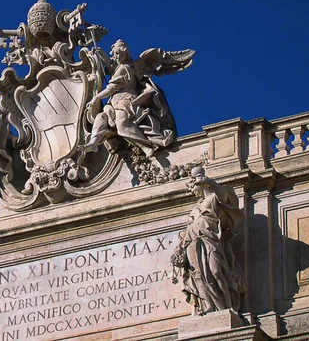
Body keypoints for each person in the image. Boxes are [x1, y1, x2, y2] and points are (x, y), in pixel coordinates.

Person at [174, 167, 247, 315]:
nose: (192, 191)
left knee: (216, 271)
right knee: (198, 275)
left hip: (211, 241)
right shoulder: (195, 209)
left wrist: (209, 182)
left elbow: (227, 198)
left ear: (200, 185)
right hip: (193, 243)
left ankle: (227, 306)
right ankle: (208, 305)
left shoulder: (212, 199)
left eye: (193, 187)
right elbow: (188, 230)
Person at [82, 40, 174, 157]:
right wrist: (102, 55)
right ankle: (93, 143)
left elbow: (111, 89)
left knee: (122, 126)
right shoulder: (119, 68)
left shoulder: (125, 68)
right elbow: (111, 67)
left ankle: (147, 146)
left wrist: (96, 98)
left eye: (117, 54)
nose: (115, 56)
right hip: (114, 102)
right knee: (101, 117)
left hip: (125, 101)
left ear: (124, 53)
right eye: (114, 54)